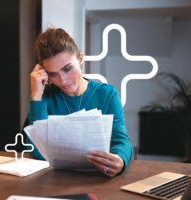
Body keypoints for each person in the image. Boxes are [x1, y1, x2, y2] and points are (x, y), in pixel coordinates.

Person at [27, 28, 132, 177]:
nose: (63, 80)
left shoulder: (107, 94)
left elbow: (121, 140)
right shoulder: (44, 96)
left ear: (80, 59)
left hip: (99, 179)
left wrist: (120, 160)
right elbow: (36, 151)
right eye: (53, 74)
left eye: (67, 68)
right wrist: (36, 95)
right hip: (56, 181)